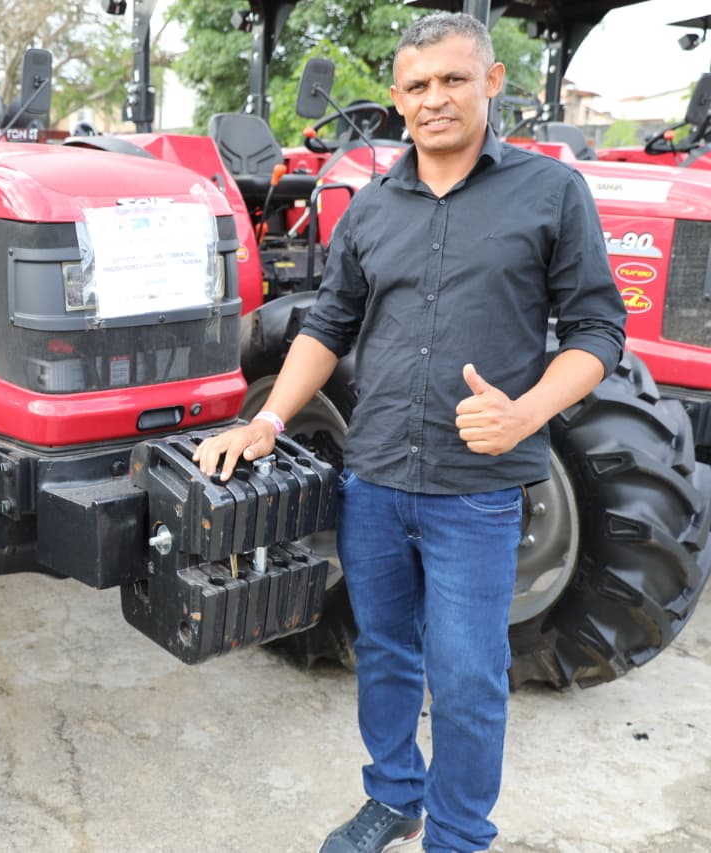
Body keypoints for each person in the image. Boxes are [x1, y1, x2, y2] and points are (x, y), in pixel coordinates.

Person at [193, 12, 626, 853]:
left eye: (454, 80)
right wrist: (268, 418)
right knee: (386, 651)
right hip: (377, 478)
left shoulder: (550, 193)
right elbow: (327, 325)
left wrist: (526, 412)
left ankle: (458, 834)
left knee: (467, 677)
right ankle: (394, 794)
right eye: (418, 85)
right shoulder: (371, 207)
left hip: (476, 492)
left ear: (491, 83)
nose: (435, 99)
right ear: (397, 98)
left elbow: (597, 331)